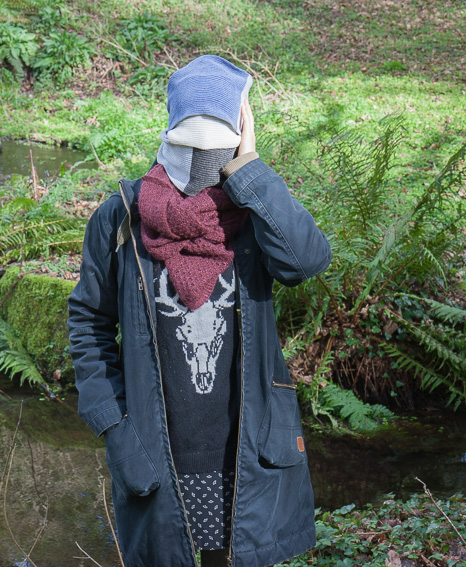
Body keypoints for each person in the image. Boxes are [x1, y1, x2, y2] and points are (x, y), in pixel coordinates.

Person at [67, 55, 331, 567]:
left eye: (214, 145)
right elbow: (88, 326)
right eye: (191, 144)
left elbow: (306, 261)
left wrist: (249, 169)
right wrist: (114, 428)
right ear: (169, 132)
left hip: (247, 458)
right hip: (156, 455)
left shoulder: (253, 215)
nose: (202, 158)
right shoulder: (119, 218)